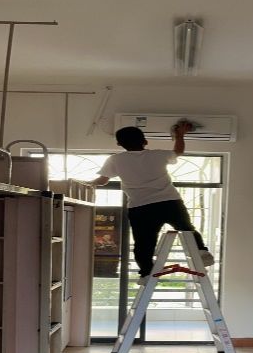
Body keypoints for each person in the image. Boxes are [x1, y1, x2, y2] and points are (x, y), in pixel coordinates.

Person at [91, 121, 214, 283]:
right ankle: (201, 252)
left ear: (119, 144)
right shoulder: (158, 155)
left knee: (144, 243)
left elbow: (102, 181)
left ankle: (146, 273)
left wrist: (86, 184)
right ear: (145, 141)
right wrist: (180, 135)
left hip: (140, 207)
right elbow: (178, 151)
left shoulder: (115, 160)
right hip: (169, 202)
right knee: (186, 228)